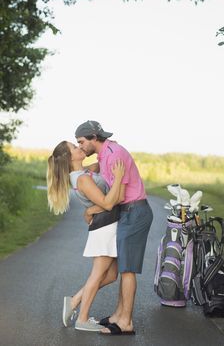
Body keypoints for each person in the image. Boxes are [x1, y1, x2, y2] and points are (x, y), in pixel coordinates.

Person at [74, 120, 154, 335]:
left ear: (93, 137)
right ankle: (118, 315)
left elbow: (116, 197)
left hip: (135, 212)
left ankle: (125, 322)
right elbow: (91, 173)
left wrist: (91, 210)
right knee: (123, 268)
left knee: (128, 270)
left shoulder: (114, 153)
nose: (80, 146)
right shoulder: (105, 154)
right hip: (127, 213)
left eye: (81, 142)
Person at [47, 141, 125, 332]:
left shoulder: (84, 172)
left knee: (112, 275)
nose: (79, 148)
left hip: (107, 224)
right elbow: (107, 204)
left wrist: (104, 147)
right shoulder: (81, 179)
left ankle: (74, 301)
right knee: (97, 275)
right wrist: (119, 178)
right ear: (69, 158)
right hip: (104, 227)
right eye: (74, 148)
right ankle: (82, 319)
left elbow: (101, 160)